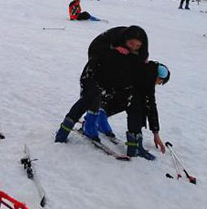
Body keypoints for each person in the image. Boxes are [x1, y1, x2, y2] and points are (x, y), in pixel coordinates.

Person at [54, 26, 166, 160]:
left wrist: (155, 132)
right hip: (99, 65)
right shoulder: (113, 43)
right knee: (93, 94)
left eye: (137, 45)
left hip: (116, 74)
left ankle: (134, 144)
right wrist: (113, 49)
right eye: (131, 44)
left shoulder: (141, 63)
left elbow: (148, 102)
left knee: (135, 100)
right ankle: (67, 129)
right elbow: (94, 68)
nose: (134, 47)